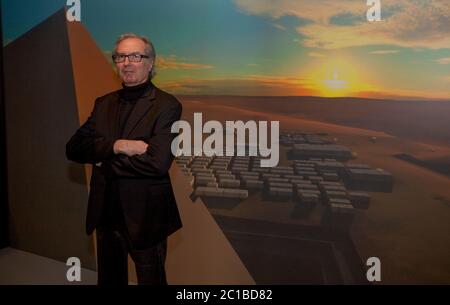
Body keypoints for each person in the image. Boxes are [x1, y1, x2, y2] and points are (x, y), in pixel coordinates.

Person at [66, 33, 182, 285]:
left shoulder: (167, 105)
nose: (127, 62)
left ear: (150, 63)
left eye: (135, 56)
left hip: (145, 217)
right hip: (105, 214)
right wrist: (120, 146)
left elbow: (157, 162)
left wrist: (101, 158)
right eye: (120, 56)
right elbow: (74, 148)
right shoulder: (103, 103)